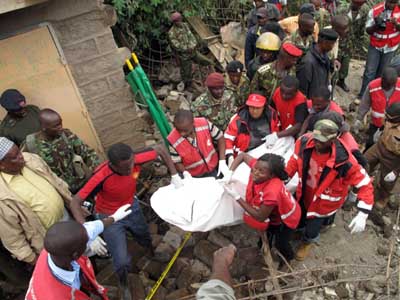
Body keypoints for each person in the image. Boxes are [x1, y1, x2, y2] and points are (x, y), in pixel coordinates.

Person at [70, 142, 181, 298]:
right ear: (113, 165)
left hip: (131, 206)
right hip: (110, 217)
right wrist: (89, 232)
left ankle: (151, 253)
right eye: (125, 168)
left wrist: (175, 175)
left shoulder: (135, 159)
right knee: (121, 260)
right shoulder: (100, 176)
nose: (130, 169)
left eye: (131, 164)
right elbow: (75, 202)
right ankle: (123, 282)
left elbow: (160, 148)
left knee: (143, 234)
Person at [286, 119, 374, 261]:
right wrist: (285, 176)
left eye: (322, 141)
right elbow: (295, 160)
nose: (317, 143)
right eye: (316, 139)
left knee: (313, 227)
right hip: (305, 192)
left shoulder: (344, 161)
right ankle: (301, 230)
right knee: (300, 216)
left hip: (324, 204)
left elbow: (365, 183)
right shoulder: (304, 143)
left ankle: (308, 241)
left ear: (333, 139)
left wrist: (363, 213)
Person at [25, 207, 132, 300]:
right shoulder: (55, 296)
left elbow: (89, 229)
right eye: (86, 243)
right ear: (76, 255)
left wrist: (114, 217)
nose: (88, 241)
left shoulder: (57, 248)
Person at [0, 137, 74, 265]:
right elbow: (12, 238)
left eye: (19, 152)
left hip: (67, 218)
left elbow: (56, 181)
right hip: (49, 240)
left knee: (85, 257)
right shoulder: (3, 195)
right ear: (2, 165)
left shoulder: (31, 159)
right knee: (70, 269)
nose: (21, 157)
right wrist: (36, 261)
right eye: (15, 157)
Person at [224, 153, 301, 263]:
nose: (255, 172)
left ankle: (288, 258)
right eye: (255, 168)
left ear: (272, 176)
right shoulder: (260, 166)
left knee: (281, 242)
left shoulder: (272, 190)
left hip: (286, 218)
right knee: (266, 234)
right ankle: (264, 247)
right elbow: (242, 156)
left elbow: (260, 216)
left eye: (261, 172)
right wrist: (229, 173)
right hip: (273, 213)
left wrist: (236, 197)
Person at [23, 108, 100, 193]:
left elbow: (87, 153)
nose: (60, 127)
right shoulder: (30, 145)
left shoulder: (66, 135)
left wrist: (99, 172)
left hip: (80, 183)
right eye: (56, 126)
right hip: (60, 191)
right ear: (43, 127)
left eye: (60, 123)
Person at [357, 0, 400, 102]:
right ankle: (363, 95)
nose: (391, 5)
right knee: (369, 72)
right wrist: (377, 25)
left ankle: (376, 94)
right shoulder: (375, 10)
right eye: (390, 2)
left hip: (391, 46)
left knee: (382, 72)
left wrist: (396, 24)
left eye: (394, 3)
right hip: (376, 44)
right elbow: (368, 30)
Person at [168, 110, 228, 178]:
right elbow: (177, 162)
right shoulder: (172, 140)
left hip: (213, 169)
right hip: (194, 176)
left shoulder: (204, 123)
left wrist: (222, 160)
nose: (182, 133)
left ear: (193, 123)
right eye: (179, 130)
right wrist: (185, 173)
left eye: (185, 130)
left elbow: (220, 137)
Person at [224, 94, 279, 165]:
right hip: (245, 154)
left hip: (267, 151)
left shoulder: (272, 115)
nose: (254, 111)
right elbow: (228, 139)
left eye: (258, 108)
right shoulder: (238, 119)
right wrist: (230, 156)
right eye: (252, 107)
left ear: (263, 107)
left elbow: (277, 130)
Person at [365, 103, 400, 209]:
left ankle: (383, 197)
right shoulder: (388, 117)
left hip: (394, 157)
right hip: (380, 146)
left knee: (387, 180)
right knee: (364, 161)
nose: (387, 120)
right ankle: (360, 182)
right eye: (387, 117)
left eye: (391, 119)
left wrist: (396, 171)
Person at [355, 67, 400, 150]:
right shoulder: (373, 86)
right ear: (381, 79)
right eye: (386, 85)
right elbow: (365, 104)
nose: (388, 87)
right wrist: (359, 118)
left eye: (391, 85)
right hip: (376, 123)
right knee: (371, 144)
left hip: (395, 125)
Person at [167, 12, 214, 87]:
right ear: (174, 22)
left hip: (193, 52)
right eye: (177, 21)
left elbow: (191, 36)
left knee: (206, 61)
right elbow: (176, 45)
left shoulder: (185, 26)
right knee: (186, 74)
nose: (179, 22)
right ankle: (188, 86)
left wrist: (192, 46)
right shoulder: (171, 32)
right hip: (184, 56)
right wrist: (186, 49)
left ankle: (213, 75)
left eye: (180, 20)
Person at [336, 0, 369, 92]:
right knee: (335, 61)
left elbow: (362, 28)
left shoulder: (365, 10)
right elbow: (335, 24)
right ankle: (331, 81)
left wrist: (358, 44)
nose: (358, 6)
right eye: (356, 3)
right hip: (339, 40)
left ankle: (341, 80)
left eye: (360, 4)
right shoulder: (342, 9)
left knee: (345, 63)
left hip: (351, 42)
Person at [297, 29, 338, 98]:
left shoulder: (324, 55)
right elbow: (302, 91)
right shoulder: (308, 62)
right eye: (332, 44)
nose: (332, 47)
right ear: (324, 42)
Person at [329, 15, 351, 83]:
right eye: (344, 29)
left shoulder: (339, 35)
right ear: (336, 29)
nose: (347, 30)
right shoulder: (327, 36)